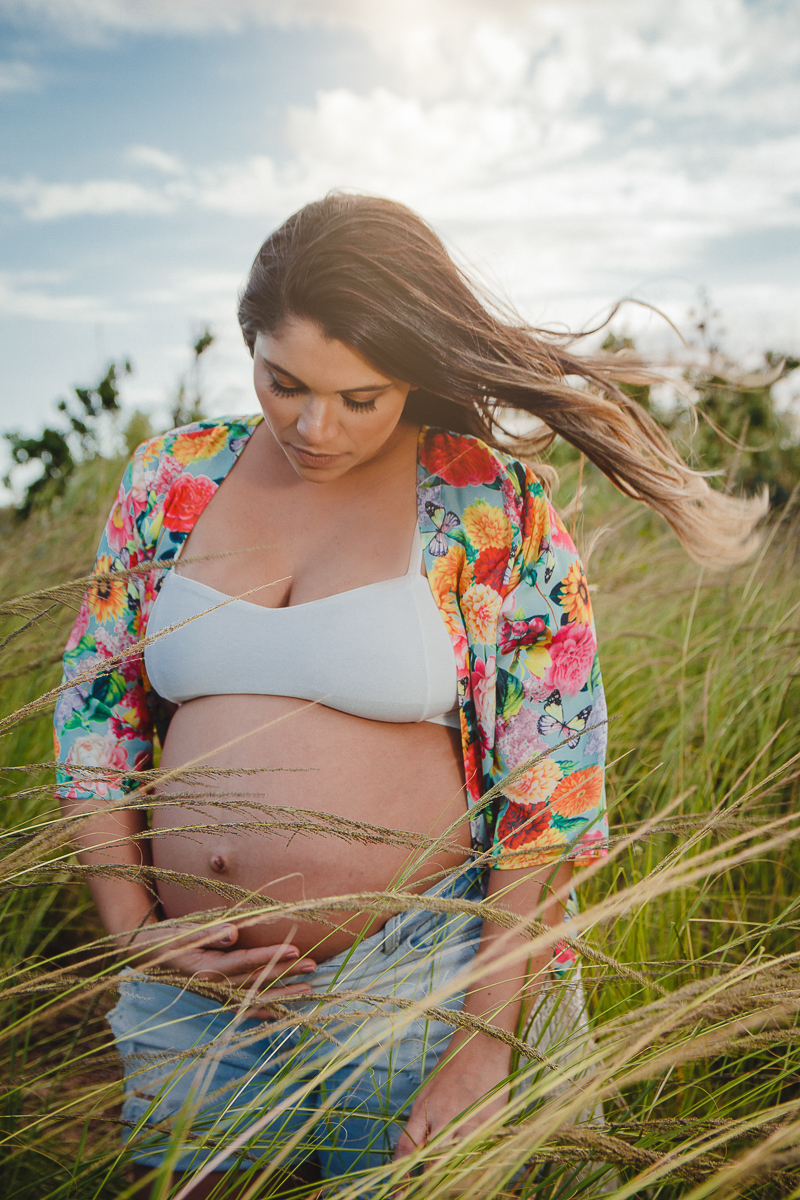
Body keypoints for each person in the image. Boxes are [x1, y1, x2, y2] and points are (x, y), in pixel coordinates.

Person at [54, 193, 765, 1198]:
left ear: (410, 374)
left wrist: (483, 1038)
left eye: (362, 396)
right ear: (248, 344)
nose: (313, 425)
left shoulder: (488, 505)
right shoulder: (171, 479)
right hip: (195, 988)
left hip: (414, 977)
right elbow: (95, 722)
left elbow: (549, 784)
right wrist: (139, 934)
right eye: (283, 382)